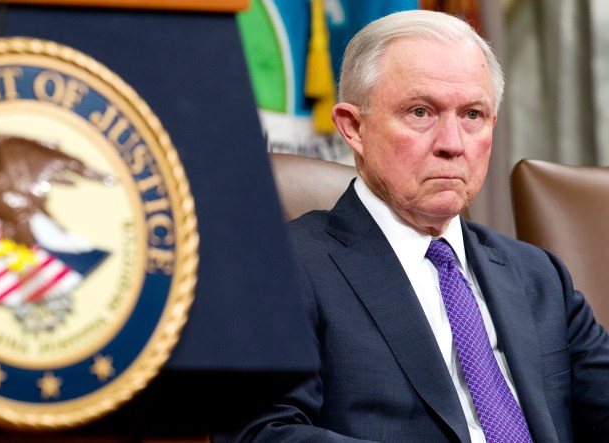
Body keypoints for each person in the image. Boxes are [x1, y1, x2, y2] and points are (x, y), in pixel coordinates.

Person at [213, 9, 609, 442]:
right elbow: (261, 433)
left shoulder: (539, 275)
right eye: (421, 112)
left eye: (472, 115)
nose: (452, 144)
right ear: (353, 127)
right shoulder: (285, 267)